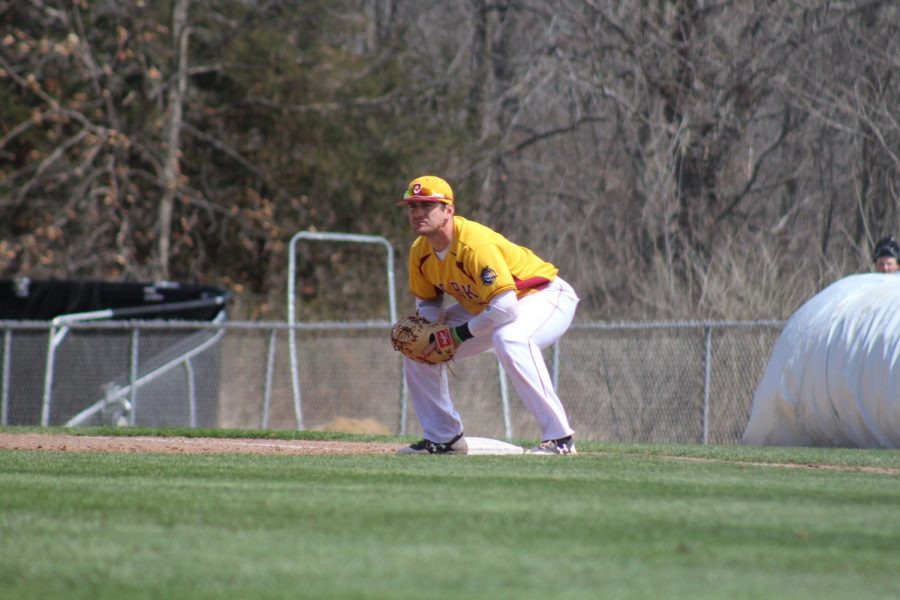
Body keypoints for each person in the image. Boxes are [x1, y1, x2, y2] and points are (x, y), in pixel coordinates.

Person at [395, 175, 580, 455]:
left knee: (510, 337)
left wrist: (457, 334)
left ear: (448, 210)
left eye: (427, 205)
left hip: (544, 296)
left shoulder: (473, 245)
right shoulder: (420, 252)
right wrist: (432, 327)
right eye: (413, 206)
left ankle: (560, 438)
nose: (418, 212)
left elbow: (506, 309)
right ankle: (444, 439)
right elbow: (428, 300)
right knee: (419, 349)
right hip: (489, 307)